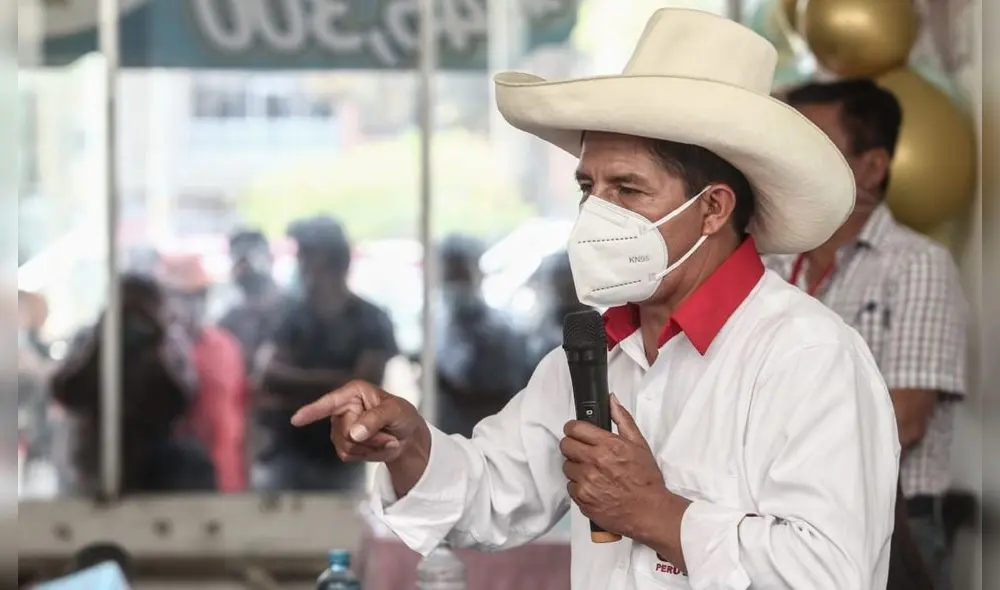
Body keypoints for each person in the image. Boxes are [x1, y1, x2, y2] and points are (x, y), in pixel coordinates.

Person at [292, 9, 900, 590]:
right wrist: (412, 445)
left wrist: (657, 513)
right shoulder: (596, 352)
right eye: (590, 187)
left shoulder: (806, 356)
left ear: (713, 208)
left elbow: (829, 573)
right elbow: (495, 493)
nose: (597, 214)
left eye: (628, 189)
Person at [769, 79, 968, 590]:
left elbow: (905, 420)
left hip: (890, 523)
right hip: (777, 522)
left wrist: (768, 430)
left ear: (873, 167)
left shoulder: (917, 263)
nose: (791, 161)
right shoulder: (772, 263)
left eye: (813, 145)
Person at [253, 216, 398, 491]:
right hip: (288, 456)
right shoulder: (291, 315)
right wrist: (339, 385)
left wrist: (295, 387)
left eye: (308, 254)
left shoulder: (370, 319)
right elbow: (267, 376)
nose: (301, 262)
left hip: (340, 463)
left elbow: (363, 388)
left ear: (332, 260)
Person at [51, 273, 215, 494]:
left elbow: (181, 403)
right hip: (96, 454)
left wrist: (155, 343)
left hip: (156, 457)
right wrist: (102, 342)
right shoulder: (89, 339)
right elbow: (66, 392)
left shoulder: (168, 343)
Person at [157, 255, 248, 493]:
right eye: (182, 297)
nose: (191, 305)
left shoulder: (225, 345)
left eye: (199, 296)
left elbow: (243, 410)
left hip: (226, 479)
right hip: (174, 483)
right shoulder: (158, 351)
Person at [434, 234, 531, 437]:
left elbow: (507, 398)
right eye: (449, 277)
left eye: (461, 276)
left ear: (477, 274)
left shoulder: (501, 333)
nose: (455, 286)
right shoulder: (436, 328)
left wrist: (451, 389)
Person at [219, 229, 286, 371]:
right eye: (239, 260)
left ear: (270, 258)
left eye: (252, 258)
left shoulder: (293, 312)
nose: (246, 266)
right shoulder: (229, 320)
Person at [524, 251, 589, 369]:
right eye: (563, 280)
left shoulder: (600, 323)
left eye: (571, 281)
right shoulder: (547, 333)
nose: (568, 288)